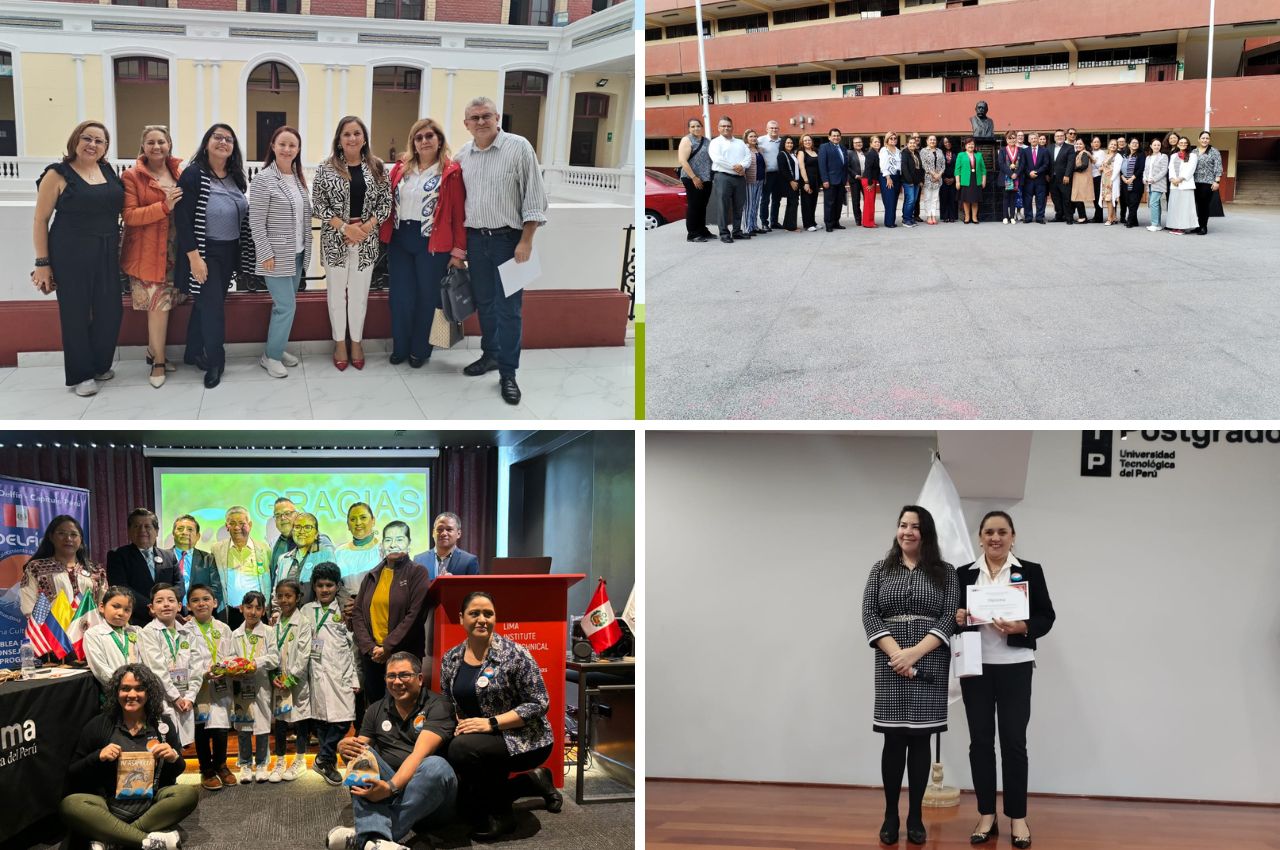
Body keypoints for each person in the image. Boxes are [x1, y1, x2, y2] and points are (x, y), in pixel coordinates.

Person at [954, 511, 1056, 850]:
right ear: (979, 537)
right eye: (989, 532)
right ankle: (986, 814)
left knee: (1014, 743)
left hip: (1016, 665)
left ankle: (1017, 817)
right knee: (980, 742)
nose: (995, 538)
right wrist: (957, 616)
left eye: (1002, 532)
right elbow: (954, 617)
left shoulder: (1030, 571)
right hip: (976, 667)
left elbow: (1046, 615)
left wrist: (1023, 627)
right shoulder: (964, 574)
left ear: (1013, 536)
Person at [861, 506, 959, 847]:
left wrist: (914, 653)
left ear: (926, 532)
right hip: (890, 665)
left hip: (929, 661)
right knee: (893, 740)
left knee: (920, 740)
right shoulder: (880, 569)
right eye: (902, 525)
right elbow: (870, 614)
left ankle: (915, 815)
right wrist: (896, 654)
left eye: (915, 526)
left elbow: (949, 617)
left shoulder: (946, 572)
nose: (907, 531)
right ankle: (891, 814)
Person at [441, 591, 561, 840]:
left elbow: (539, 703)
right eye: (474, 613)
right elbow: (446, 701)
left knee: (462, 749)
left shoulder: (515, 654)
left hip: (526, 737)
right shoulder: (450, 658)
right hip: (478, 737)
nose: (482, 619)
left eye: (488, 613)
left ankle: (503, 816)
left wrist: (491, 723)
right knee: (465, 801)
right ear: (461, 618)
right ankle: (532, 782)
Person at [455, 96, 549, 405]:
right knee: (485, 303)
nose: (480, 121)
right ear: (466, 124)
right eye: (474, 117)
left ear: (497, 118)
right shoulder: (462, 156)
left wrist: (527, 240)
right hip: (475, 241)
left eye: (486, 116)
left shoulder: (518, 147)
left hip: (509, 241)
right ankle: (490, 355)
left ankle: (508, 373)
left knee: (510, 309)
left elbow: (535, 197)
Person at [31, 120, 125, 397]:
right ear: (76, 140)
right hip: (70, 252)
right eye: (88, 138)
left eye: (99, 141)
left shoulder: (107, 169)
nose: (92, 144)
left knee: (111, 311)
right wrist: (42, 263)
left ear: (106, 147)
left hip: (107, 250)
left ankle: (99, 365)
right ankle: (81, 374)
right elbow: (40, 220)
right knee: (75, 315)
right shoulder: (57, 174)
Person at [60, 664, 199, 850]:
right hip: (107, 807)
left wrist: (174, 758)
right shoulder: (98, 725)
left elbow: (176, 772)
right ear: (116, 692)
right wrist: (97, 756)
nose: (132, 695)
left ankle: (113, 838)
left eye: (139, 688)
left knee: (187, 794)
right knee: (71, 804)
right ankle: (148, 840)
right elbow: (73, 772)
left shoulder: (162, 725)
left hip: (150, 806)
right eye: (125, 688)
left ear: (149, 693)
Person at [328, 652, 458, 850]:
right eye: (391, 676)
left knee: (436, 765)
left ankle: (369, 837)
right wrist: (343, 747)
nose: (397, 682)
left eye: (404, 675)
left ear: (420, 679)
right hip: (391, 792)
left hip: (432, 799)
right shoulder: (376, 709)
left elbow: (418, 755)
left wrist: (389, 787)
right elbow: (359, 746)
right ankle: (379, 843)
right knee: (360, 753)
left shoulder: (438, 706)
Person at [380, 117, 467, 368]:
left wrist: (458, 252)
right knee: (400, 297)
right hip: (400, 239)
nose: (424, 141)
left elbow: (459, 214)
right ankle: (401, 347)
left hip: (433, 242)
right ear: (413, 143)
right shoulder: (400, 169)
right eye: (419, 137)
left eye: (429, 136)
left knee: (427, 298)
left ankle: (420, 350)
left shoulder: (451, 172)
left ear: (439, 140)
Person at [175, 124, 254, 389]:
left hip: (230, 251)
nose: (223, 142)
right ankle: (215, 362)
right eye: (217, 137)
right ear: (207, 142)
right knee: (213, 308)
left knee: (207, 303)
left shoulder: (235, 176)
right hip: (205, 251)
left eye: (228, 139)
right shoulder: (193, 174)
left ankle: (192, 351)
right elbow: (183, 220)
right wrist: (195, 259)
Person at [312, 116, 391, 372]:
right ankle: (339, 343)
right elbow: (319, 204)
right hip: (336, 239)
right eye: (347, 134)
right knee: (336, 295)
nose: (352, 138)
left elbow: (386, 203)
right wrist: (346, 227)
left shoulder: (378, 167)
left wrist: (365, 228)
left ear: (364, 137)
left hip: (366, 240)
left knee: (358, 296)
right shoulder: (326, 168)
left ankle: (356, 342)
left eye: (357, 133)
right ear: (339, 139)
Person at [121, 125, 183, 389]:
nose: (156, 146)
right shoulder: (132, 176)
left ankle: (153, 351)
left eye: (161, 141)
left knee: (166, 306)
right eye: (151, 142)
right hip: (148, 250)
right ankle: (158, 362)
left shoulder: (178, 171)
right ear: (143, 146)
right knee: (157, 308)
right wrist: (164, 207)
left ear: (169, 143)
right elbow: (130, 216)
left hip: (175, 249)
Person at [248, 125, 311, 378]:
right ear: (273, 146)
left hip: (296, 253)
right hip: (274, 256)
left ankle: (277, 346)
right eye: (282, 144)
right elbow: (256, 220)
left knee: (286, 305)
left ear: (297, 150)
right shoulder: (264, 179)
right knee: (286, 306)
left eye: (292, 145)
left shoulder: (297, 178)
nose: (287, 149)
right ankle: (270, 356)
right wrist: (265, 254)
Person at [351, 521, 431, 708]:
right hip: (373, 657)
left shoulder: (417, 572)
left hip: (404, 655)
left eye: (399, 539)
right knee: (377, 708)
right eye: (388, 539)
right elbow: (357, 613)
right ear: (382, 544)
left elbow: (415, 614)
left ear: (409, 543)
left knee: (405, 706)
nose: (393, 544)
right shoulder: (372, 575)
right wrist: (371, 648)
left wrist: (387, 646)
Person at [301, 562, 358, 786]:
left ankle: (323, 757)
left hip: (341, 672)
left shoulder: (345, 610)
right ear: (314, 587)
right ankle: (329, 763)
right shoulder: (306, 611)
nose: (325, 590)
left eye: (330, 585)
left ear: (337, 587)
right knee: (323, 721)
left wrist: (354, 677)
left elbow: (352, 646)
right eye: (320, 585)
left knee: (344, 719)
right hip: (316, 672)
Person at [187, 582, 236, 790]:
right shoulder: (184, 630)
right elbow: (185, 659)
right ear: (188, 606)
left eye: (206, 599)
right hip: (199, 685)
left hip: (221, 684)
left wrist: (227, 668)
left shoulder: (223, 628)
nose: (201, 604)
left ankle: (221, 765)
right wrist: (202, 674)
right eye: (195, 600)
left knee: (220, 727)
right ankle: (206, 768)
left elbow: (232, 654)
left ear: (215, 603)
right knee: (201, 728)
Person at [139, 583, 200, 747]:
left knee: (181, 748)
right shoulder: (148, 633)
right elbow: (157, 669)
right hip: (163, 698)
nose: (166, 604)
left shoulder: (188, 632)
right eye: (159, 601)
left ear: (179, 606)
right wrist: (175, 697)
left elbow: (196, 667)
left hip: (185, 698)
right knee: (165, 744)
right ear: (151, 608)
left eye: (171, 600)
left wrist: (190, 697)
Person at [231, 590, 280, 784]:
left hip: (261, 685)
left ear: (263, 610)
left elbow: (274, 658)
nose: (253, 612)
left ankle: (261, 764)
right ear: (241, 608)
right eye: (249, 607)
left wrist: (255, 663)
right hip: (241, 687)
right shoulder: (235, 634)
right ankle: (244, 764)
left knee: (261, 726)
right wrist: (235, 666)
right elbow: (229, 657)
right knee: (243, 726)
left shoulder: (269, 632)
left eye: (258, 608)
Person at [19, 514, 107, 621]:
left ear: (81, 540)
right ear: (51, 537)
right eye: (61, 533)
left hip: (90, 632)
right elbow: (29, 604)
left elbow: (105, 604)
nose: (68, 538)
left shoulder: (96, 570)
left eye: (74, 534)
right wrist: (47, 630)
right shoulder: (36, 568)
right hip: (52, 633)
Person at [269, 578, 313, 782]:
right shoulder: (275, 623)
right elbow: (270, 651)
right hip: (278, 680)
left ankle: (300, 760)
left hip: (296, 682)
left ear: (298, 598)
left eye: (288, 595)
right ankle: (279, 761)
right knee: (280, 721)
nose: (284, 600)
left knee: (300, 719)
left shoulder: (303, 622)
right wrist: (274, 675)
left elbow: (304, 655)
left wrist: (290, 679)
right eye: (280, 596)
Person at [107, 509, 180, 627]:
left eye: (147, 526)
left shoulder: (169, 556)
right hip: (136, 621)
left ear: (156, 531)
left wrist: (167, 606)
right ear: (129, 531)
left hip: (169, 620)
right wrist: (153, 608)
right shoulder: (117, 555)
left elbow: (178, 584)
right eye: (137, 526)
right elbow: (121, 587)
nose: (142, 530)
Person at [210, 505, 274, 629]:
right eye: (232, 523)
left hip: (259, 612)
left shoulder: (264, 548)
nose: (237, 527)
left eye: (241, 523)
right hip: (231, 613)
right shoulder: (217, 549)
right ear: (226, 527)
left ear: (250, 524)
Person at [273, 511, 339, 607]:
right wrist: (276, 611)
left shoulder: (326, 554)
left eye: (307, 527)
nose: (301, 531)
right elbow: (276, 591)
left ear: (316, 534)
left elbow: (333, 587)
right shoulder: (283, 559)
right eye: (297, 527)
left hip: (315, 616)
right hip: (288, 617)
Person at [85, 586, 144, 687]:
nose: (121, 613)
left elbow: (146, 662)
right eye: (116, 606)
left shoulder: (137, 631)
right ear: (102, 607)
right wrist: (124, 686)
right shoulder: (94, 634)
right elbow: (100, 669)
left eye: (127, 610)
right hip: (114, 690)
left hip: (141, 688)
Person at [269, 496, 335, 582]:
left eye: (287, 513)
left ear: (296, 515)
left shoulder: (319, 540)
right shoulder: (277, 545)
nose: (282, 518)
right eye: (278, 515)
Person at [166, 513, 220, 611]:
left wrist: (198, 610)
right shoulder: (163, 557)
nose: (184, 532)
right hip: (169, 614)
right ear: (173, 533)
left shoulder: (208, 559)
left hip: (200, 614)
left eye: (190, 529)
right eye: (180, 529)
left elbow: (215, 589)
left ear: (198, 536)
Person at [675, 117, 713, 243]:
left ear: (701, 127)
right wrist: (694, 177)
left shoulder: (707, 141)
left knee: (703, 206)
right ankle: (692, 233)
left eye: (698, 126)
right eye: (692, 126)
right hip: (691, 177)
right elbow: (682, 160)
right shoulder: (686, 140)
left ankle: (702, 230)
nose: (696, 128)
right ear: (689, 128)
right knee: (694, 205)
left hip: (706, 178)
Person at [334, 502, 384, 597]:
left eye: (363, 517)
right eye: (353, 519)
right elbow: (335, 585)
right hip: (346, 607)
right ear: (348, 525)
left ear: (373, 520)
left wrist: (361, 603)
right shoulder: (339, 552)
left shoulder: (383, 550)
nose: (358, 523)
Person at [412, 512, 479, 580]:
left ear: (458, 534)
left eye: (449, 529)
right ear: (433, 533)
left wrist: (452, 584)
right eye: (439, 529)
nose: (443, 533)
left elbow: (474, 589)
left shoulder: (469, 561)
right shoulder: (419, 560)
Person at [1166, 137, 1199, 234]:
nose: (1183, 144)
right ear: (1178, 144)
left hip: (1185, 184)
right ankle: (1175, 226)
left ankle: (1183, 227)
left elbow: (1191, 169)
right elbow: (1170, 168)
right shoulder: (1173, 156)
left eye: (1185, 143)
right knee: (1175, 206)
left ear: (1188, 144)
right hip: (1174, 184)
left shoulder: (1193, 155)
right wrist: (1172, 179)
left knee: (1184, 207)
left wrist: (1180, 179)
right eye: (1181, 142)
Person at [1193, 131, 1223, 235]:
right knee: (1196, 205)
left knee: (1204, 205)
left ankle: (1203, 227)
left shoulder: (1214, 151)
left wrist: (1217, 181)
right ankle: (1197, 225)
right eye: (1203, 138)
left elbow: (1218, 167)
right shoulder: (1194, 152)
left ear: (1209, 140)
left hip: (1208, 182)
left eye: (1207, 138)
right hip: (1194, 182)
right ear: (1199, 139)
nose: (1205, 140)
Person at [817, 128, 847, 233]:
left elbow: (844, 165)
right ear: (829, 137)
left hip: (841, 181)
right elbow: (822, 165)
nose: (836, 137)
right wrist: (825, 180)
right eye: (834, 135)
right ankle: (829, 224)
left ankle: (836, 222)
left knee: (838, 203)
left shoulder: (843, 148)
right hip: (830, 181)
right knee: (829, 204)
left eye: (838, 135)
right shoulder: (824, 147)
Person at [757, 120, 783, 232]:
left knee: (777, 199)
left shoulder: (782, 141)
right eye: (771, 128)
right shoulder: (760, 140)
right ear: (767, 129)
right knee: (765, 199)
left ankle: (774, 221)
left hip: (780, 174)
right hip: (767, 174)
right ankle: (764, 222)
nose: (774, 130)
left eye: (776, 128)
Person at [955, 138, 986, 225]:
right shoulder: (961, 155)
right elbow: (957, 169)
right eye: (968, 144)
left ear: (974, 146)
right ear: (965, 146)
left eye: (972, 144)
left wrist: (984, 180)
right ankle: (967, 217)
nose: (971, 145)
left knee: (975, 200)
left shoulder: (979, 155)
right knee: (966, 200)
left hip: (976, 179)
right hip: (965, 180)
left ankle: (974, 217)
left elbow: (983, 169)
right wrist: (957, 181)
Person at [740, 129, 764, 237]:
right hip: (749, 180)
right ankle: (747, 228)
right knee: (749, 205)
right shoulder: (744, 149)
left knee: (755, 204)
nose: (753, 138)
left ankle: (754, 225)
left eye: (755, 136)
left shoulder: (759, 149)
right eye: (751, 136)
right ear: (746, 138)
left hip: (760, 180)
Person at [1021, 133, 1048, 224]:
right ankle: (1028, 217)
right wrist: (1029, 173)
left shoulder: (1044, 151)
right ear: (1028, 140)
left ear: (1038, 139)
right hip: (1028, 180)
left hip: (1040, 179)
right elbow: (1023, 165)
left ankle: (1040, 217)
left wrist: (1036, 172)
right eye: (1031, 138)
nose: (1033, 140)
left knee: (1040, 199)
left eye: (1035, 138)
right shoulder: (1024, 151)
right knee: (1027, 199)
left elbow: (1046, 164)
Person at [1143, 139, 1169, 232]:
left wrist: (1154, 179)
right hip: (1149, 184)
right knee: (1156, 204)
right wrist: (1144, 178)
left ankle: (1154, 224)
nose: (1157, 146)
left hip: (1158, 183)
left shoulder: (1163, 156)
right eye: (1155, 145)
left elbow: (1164, 170)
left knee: (1153, 203)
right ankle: (1157, 224)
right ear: (1151, 146)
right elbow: (1145, 170)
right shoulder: (1148, 157)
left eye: (1158, 145)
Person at [1119, 138, 1146, 229]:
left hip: (1136, 182)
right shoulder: (1125, 155)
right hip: (1125, 182)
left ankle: (1129, 221)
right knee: (1128, 202)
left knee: (1134, 202)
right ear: (1129, 145)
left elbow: (1141, 169)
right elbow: (1120, 168)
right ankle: (1135, 221)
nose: (1135, 144)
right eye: (1133, 143)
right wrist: (1122, 177)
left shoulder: (1141, 155)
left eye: (1137, 143)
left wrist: (1132, 178)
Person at [796, 134, 820, 232]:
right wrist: (806, 182)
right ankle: (807, 224)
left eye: (809, 140)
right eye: (805, 140)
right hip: (807, 180)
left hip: (816, 180)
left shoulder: (815, 151)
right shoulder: (801, 152)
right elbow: (801, 167)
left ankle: (813, 222)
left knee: (813, 201)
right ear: (802, 142)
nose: (807, 142)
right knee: (806, 202)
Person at [776, 136, 801, 232]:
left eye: (791, 143)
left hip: (795, 181)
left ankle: (788, 224)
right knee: (793, 203)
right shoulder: (782, 155)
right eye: (787, 143)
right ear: (783, 144)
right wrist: (791, 181)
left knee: (792, 203)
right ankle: (791, 227)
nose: (790, 144)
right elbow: (783, 170)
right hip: (789, 182)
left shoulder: (792, 154)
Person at [878, 132, 902, 228]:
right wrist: (888, 177)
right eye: (891, 138)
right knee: (889, 199)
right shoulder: (884, 150)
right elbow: (883, 165)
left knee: (895, 199)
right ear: (887, 140)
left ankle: (891, 220)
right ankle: (889, 222)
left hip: (897, 177)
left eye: (895, 138)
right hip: (887, 177)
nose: (893, 140)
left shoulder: (898, 150)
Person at [997, 131, 1022, 224]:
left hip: (1017, 177)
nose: (1012, 140)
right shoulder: (1002, 150)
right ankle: (1005, 216)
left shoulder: (1020, 150)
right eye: (1010, 138)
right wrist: (1010, 173)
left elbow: (1022, 164)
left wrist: (1016, 173)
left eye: (1013, 138)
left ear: (1016, 138)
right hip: (1005, 177)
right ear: (1006, 140)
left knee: (1013, 198)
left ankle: (1012, 216)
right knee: (1006, 197)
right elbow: (1001, 163)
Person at [1048, 130, 1072, 223]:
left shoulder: (1069, 148)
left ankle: (1068, 217)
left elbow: (1070, 163)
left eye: (1061, 135)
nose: (1059, 137)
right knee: (1055, 198)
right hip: (1052, 178)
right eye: (1057, 136)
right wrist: (1047, 174)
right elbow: (1047, 162)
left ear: (1064, 137)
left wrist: (1067, 175)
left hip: (1064, 178)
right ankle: (1059, 216)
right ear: (1054, 138)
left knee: (1066, 198)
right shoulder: (1049, 148)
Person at [919, 135, 943, 226]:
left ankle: (934, 215)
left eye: (934, 140)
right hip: (928, 178)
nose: (932, 141)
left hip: (938, 179)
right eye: (931, 139)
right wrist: (933, 174)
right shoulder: (923, 151)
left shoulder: (939, 151)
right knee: (927, 198)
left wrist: (939, 174)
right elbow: (924, 164)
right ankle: (928, 216)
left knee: (935, 198)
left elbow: (943, 164)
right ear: (927, 141)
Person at [842, 136, 866, 225]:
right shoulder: (849, 153)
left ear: (862, 143)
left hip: (865, 179)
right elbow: (847, 166)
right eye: (856, 143)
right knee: (856, 201)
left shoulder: (866, 153)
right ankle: (858, 220)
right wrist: (855, 175)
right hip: (855, 180)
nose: (858, 144)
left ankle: (866, 217)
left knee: (867, 200)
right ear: (853, 144)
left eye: (859, 142)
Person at [899, 137, 923, 228]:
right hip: (908, 181)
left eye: (914, 143)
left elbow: (920, 168)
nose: (912, 144)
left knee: (913, 201)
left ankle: (910, 217)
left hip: (917, 182)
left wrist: (921, 180)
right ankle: (906, 219)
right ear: (907, 144)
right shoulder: (904, 153)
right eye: (910, 143)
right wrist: (910, 181)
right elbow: (904, 168)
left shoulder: (917, 153)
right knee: (910, 200)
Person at [1070, 139, 1095, 224]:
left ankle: (1083, 217)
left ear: (1084, 145)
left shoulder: (1084, 153)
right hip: (1079, 178)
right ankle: (1083, 216)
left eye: (1080, 144)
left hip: (1081, 178)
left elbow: (1084, 165)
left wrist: (1073, 169)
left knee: (1078, 198)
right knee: (1078, 198)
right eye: (1077, 144)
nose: (1078, 145)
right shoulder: (1080, 153)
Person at [859, 136, 882, 229]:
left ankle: (867, 221)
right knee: (869, 203)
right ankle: (868, 223)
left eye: (879, 142)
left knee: (870, 202)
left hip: (871, 179)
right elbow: (868, 168)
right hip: (869, 180)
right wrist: (870, 183)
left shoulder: (875, 153)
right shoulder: (871, 153)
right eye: (875, 142)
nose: (877, 144)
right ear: (871, 144)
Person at [1099, 139, 1120, 226]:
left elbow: (1117, 169)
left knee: (1109, 199)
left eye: (1115, 145)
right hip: (1104, 179)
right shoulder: (1106, 155)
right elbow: (1101, 167)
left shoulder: (1118, 156)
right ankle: (1114, 217)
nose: (1113, 146)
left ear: (1117, 147)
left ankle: (1109, 219)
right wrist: (1101, 169)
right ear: (1108, 145)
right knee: (1107, 199)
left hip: (1112, 179)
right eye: (1111, 144)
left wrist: (1111, 178)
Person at [939, 136, 958, 223]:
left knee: (953, 198)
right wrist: (944, 178)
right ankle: (945, 216)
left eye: (949, 142)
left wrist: (954, 178)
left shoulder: (957, 153)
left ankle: (953, 216)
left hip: (954, 178)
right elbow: (938, 167)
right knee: (944, 198)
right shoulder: (940, 153)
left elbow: (959, 167)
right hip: (943, 178)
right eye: (945, 142)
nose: (947, 144)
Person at [1089, 136, 1106, 223]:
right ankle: (1097, 216)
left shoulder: (1101, 152)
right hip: (1090, 177)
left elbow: (1101, 166)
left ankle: (1099, 218)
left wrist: (1093, 160)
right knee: (1094, 198)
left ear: (1100, 144)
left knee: (1098, 197)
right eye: (1094, 142)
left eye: (1097, 142)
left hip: (1098, 177)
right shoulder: (1090, 152)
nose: (1096, 143)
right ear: (1091, 144)